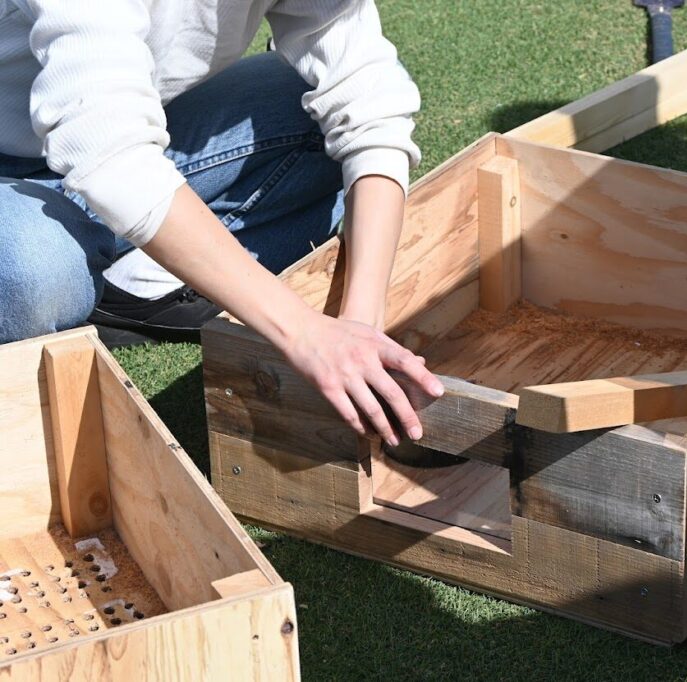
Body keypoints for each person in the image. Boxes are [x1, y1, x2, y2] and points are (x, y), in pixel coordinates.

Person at [0, 0, 444, 448]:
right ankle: (78, 271)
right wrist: (303, 332)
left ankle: (125, 285)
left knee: (309, 118)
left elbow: (366, 91)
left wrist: (362, 322)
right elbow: (106, 152)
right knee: (34, 268)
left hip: (120, 135)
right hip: (25, 168)